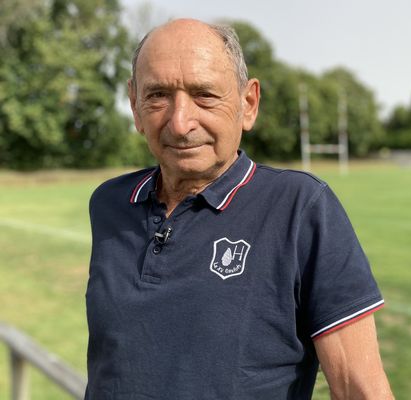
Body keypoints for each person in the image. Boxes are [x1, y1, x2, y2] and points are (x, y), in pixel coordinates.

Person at [85, 18, 393, 399]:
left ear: (248, 104)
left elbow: (358, 389)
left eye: (204, 95)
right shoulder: (109, 204)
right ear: (135, 105)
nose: (180, 123)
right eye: (158, 95)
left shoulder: (301, 208)